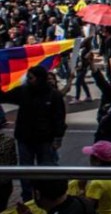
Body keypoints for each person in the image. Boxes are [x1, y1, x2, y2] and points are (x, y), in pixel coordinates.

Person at [0, 66, 66, 200]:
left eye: (31, 78)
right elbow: (4, 97)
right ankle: (28, 198)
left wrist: (58, 138)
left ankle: (47, 196)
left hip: (45, 140)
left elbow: (59, 118)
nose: (28, 80)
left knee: (46, 170)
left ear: (40, 78)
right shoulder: (24, 91)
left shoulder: (54, 95)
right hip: (25, 139)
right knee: (25, 171)